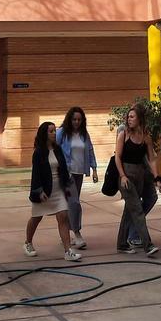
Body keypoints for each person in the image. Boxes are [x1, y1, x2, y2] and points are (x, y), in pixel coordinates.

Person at [25, 121, 82, 262]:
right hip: (44, 191)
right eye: (50, 131)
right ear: (44, 134)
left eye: (54, 131)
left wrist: (68, 186)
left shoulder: (57, 149)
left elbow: (62, 168)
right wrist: (39, 191)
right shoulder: (38, 152)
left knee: (63, 216)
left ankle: (68, 250)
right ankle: (28, 242)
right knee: (36, 218)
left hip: (58, 189)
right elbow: (36, 174)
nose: (54, 133)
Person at [115, 103, 161, 256]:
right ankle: (148, 245)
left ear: (140, 119)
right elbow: (117, 157)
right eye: (128, 116)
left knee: (129, 211)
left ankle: (122, 244)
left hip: (139, 174)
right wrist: (122, 176)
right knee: (137, 210)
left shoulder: (145, 137)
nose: (129, 119)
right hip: (126, 175)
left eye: (132, 116)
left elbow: (152, 159)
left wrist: (157, 177)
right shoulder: (124, 134)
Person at [56, 106, 98, 250]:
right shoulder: (62, 133)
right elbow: (53, 148)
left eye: (79, 119)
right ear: (69, 119)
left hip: (79, 173)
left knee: (70, 204)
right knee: (74, 203)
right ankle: (77, 233)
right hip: (66, 173)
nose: (76, 122)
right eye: (74, 119)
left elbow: (90, 150)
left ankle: (65, 236)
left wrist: (94, 169)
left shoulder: (84, 134)